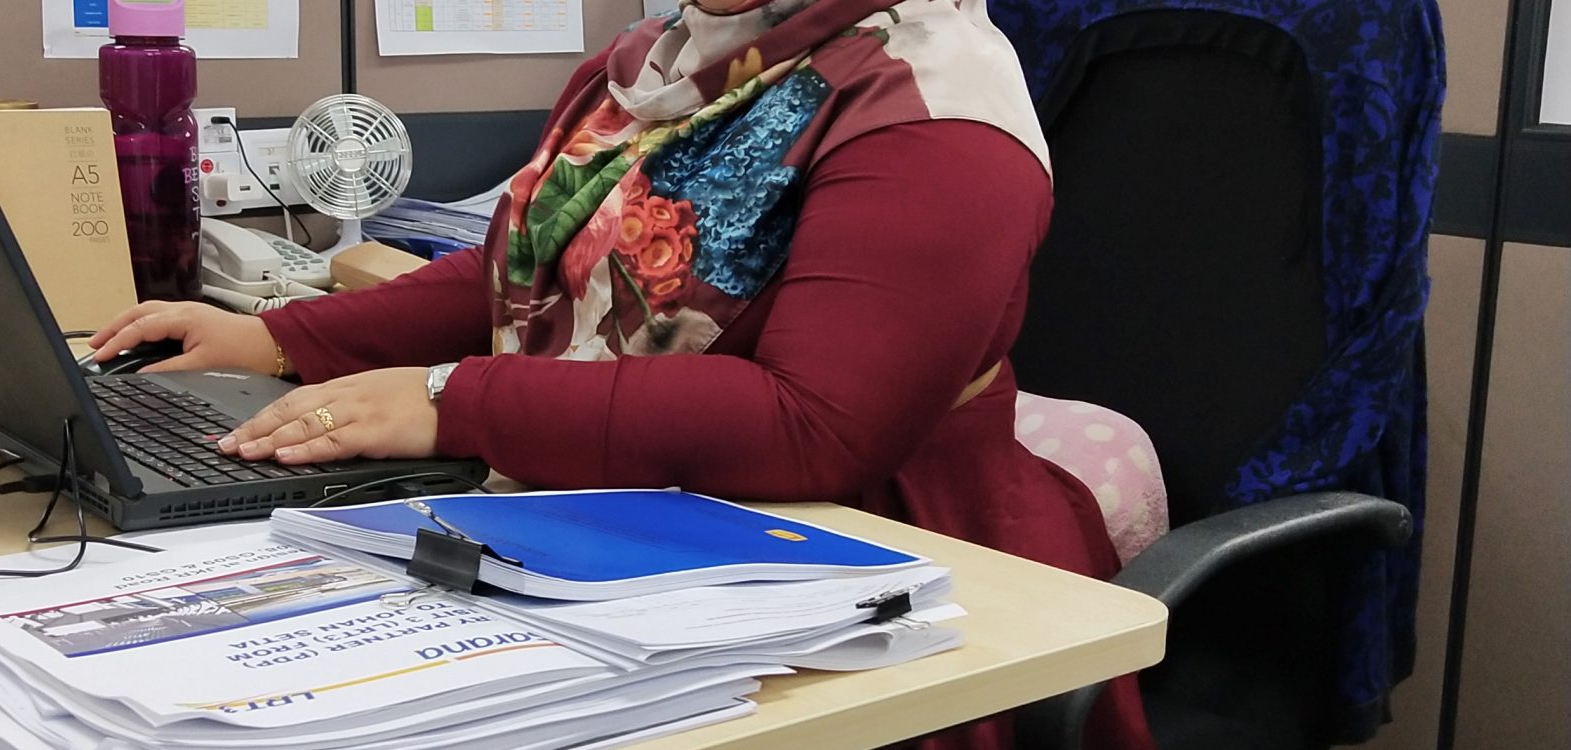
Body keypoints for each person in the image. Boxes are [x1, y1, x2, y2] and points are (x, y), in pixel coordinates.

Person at [90, 1, 1152, 747]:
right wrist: (281, 339)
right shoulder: (661, 63)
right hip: (619, 511)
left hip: (862, 576)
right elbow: (524, 269)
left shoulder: (937, 110)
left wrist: (452, 401)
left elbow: (818, 424)